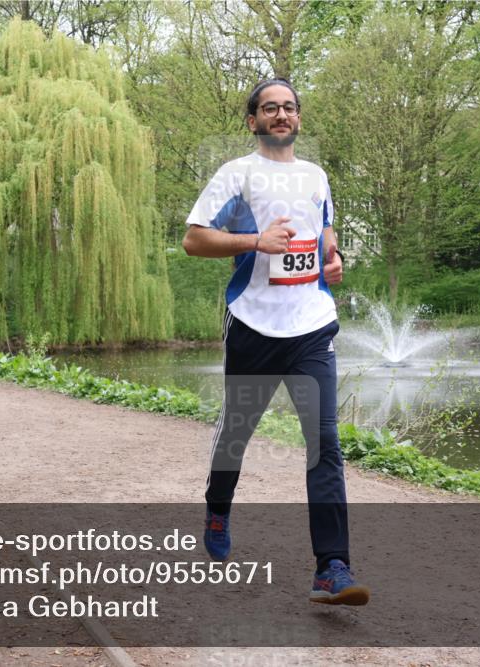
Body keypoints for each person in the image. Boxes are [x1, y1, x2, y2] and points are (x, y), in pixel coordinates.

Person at [182, 78, 369, 606]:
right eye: (270, 108)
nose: (281, 115)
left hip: (311, 326)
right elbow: (194, 238)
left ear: (299, 119)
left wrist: (332, 260)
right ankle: (218, 506)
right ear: (253, 120)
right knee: (236, 434)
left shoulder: (316, 176)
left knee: (324, 445)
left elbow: (325, 234)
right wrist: (255, 241)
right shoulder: (236, 174)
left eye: (289, 108)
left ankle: (331, 567)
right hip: (253, 326)